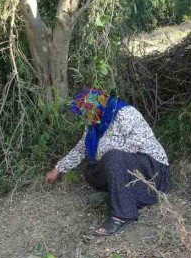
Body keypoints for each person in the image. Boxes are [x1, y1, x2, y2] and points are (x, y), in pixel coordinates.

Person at [45, 88, 170, 236]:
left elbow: (137, 144)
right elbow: (81, 148)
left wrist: (105, 151)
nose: (83, 117)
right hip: (127, 167)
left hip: (151, 167)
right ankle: (123, 195)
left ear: (95, 107)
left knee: (112, 158)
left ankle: (122, 216)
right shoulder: (95, 123)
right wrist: (58, 169)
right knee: (91, 171)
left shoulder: (124, 113)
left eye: (85, 112)